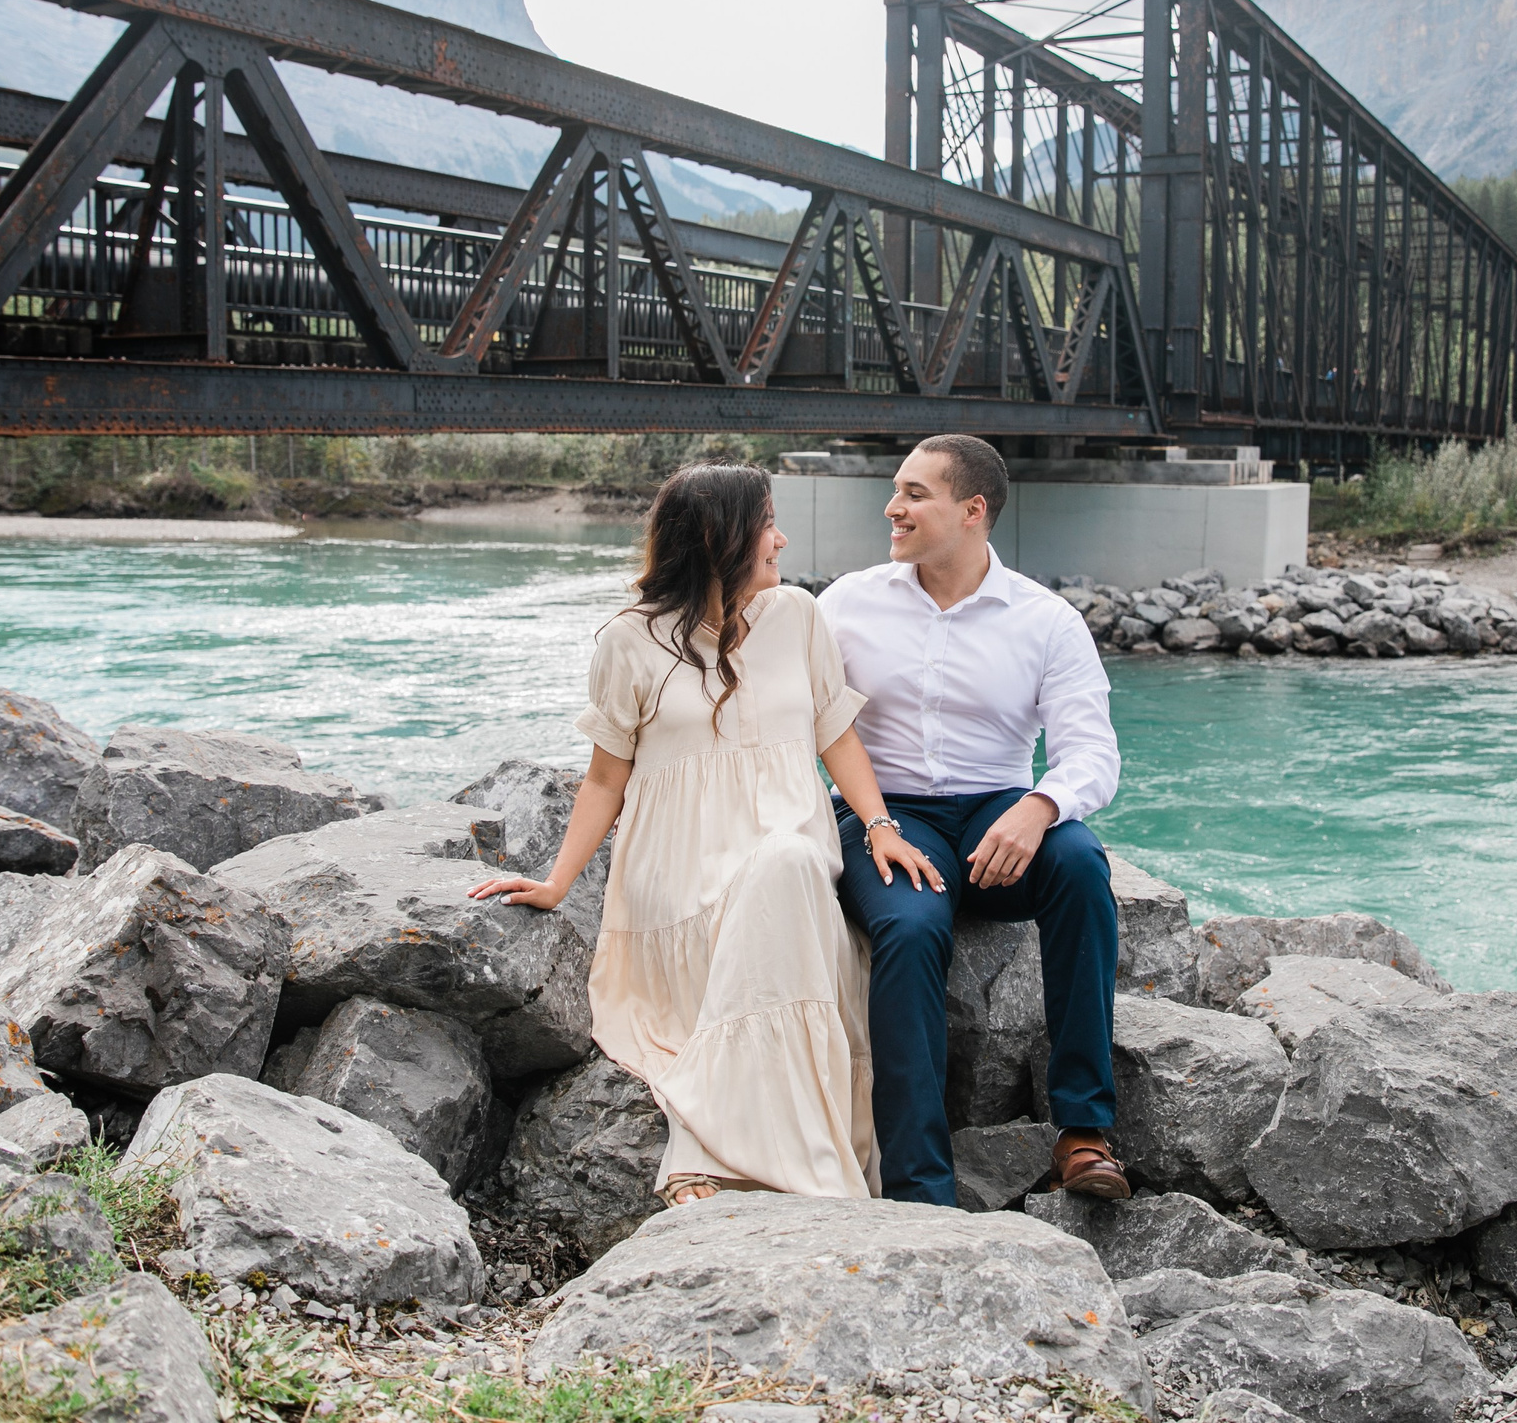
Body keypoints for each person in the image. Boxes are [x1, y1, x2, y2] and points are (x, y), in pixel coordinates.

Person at [471, 463, 940, 1206]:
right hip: (680, 877)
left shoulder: (799, 617)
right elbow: (604, 780)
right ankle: (747, 1157)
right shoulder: (630, 641)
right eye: (767, 526)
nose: (782, 539)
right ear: (723, 541)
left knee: (786, 863)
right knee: (781, 879)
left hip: (787, 854)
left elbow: (836, 736)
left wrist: (879, 824)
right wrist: (559, 881)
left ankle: (717, 1155)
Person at [818, 433, 1130, 1204]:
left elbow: (1093, 753)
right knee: (914, 926)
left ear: (973, 510)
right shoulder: (845, 604)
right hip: (886, 816)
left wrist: (1040, 804)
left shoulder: (1046, 620)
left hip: (1000, 810)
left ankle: (1083, 1131)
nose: (893, 507)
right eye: (896, 490)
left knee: (1083, 867)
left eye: (915, 493)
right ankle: (921, 1186)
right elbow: (800, 716)